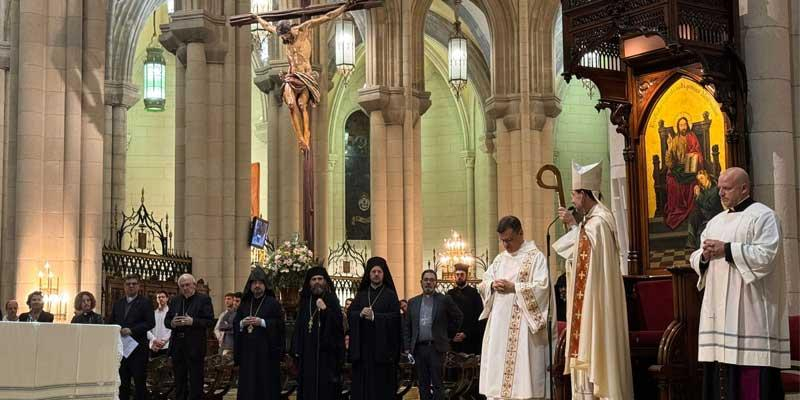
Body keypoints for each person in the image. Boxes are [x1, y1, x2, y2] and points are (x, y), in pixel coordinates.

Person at [689, 167, 789, 399]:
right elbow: (696, 255)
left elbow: (766, 256)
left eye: (727, 188)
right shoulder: (714, 222)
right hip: (719, 318)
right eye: (719, 188)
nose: (720, 193)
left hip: (751, 316)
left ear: (744, 188)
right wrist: (703, 257)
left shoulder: (764, 217)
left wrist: (727, 249)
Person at [554, 161, 633, 399]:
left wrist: (572, 225)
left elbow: (584, 257)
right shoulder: (592, 222)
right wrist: (575, 226)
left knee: (594, 344)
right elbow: (577, 255)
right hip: (588, 297)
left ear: (585, 194)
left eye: (574, 193)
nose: (572, 198)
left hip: (596, 300)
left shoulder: (598, 223)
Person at [252, 1, 355, 150]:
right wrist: (256, 17)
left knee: (301, 105)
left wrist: (344, 8)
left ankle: (306, 134)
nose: (284, 40)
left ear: (289, 31)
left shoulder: (303, 29)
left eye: (285, 36)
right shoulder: (283, 36)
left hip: (305, 76)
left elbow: (327, 16)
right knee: (291, 104)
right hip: (292, 75)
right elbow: (267, 26)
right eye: (282, 37)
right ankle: (300, 138)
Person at [477, 216, 553, 400]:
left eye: (509, 240)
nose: (506, 245)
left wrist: (515, 288)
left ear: (521, 233)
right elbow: (483, 282)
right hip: (499, 328)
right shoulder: (500, 259)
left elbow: (542, 288)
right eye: (502, 240)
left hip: (523, 329)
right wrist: (491, 285)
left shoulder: (535, 258)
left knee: (522, 378)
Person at [348, 256, 402, 400]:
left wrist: (375, 317)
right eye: (373, 272)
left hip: (383, 353)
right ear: (369, 274)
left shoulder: (390, 295)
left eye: (379, 272)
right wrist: (359, 314)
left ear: (384, 274)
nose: (376, 274)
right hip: (363, 351)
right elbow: (350, 314)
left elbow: (396, 319)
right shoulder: (361, 295)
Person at [404, 269, 463, 400]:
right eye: (426, 280)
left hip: (437, 348)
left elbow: (458, 316)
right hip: (419, 349)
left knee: (438, 384)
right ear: (421, 282)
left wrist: (447, 335)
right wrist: (407, 347)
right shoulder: (413, 302)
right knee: (422, 384)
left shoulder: (444, 300)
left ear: (436, 283)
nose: (428, 282)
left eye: (431, 280)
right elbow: (407, 326)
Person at [292, 266, 345, 400]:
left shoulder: (332, 299)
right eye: (314, 279)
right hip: (307, 354)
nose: (317, 282)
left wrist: (325, 310)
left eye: (320, 279)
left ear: (325, 281)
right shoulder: (305, 301)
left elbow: (338, 326)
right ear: (309, 283)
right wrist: (296, 349)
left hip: (327, 356)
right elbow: (299, 326)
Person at [233, 267, 284, 400]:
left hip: (266, 353)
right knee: (248, 386)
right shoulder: (244, 304)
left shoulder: (273, 303)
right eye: (254, 283)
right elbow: (236, 323)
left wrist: (262, 322)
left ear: (265, 285)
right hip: (247, 354)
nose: (257, 285)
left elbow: (279, 325)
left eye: (260, 283)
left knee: (265, 386)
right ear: (250, 286)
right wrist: (241, 323)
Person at [165, 274, 215, 400]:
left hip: (195, 346)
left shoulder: (203, 299)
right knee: (179, 381)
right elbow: (167, 320)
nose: (185, 288)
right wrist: (172, 323)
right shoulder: (175, 300)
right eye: (182, 286)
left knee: (195, 381)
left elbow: (210, 321)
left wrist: (193, 322)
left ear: (194, 285)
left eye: (187, 285)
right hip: (178, 346)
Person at [107, 274, 156, 400]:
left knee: (139, 383)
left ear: (138, 286)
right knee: (123, 383)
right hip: (122, 349)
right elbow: (111, 321)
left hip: (138, 349)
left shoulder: (145, 302)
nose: (131, 286)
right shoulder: (118, 303)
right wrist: (115, 329)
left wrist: (132, 330)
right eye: (128, 284)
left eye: (134, 284)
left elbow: (151, 323)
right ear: (124, 286)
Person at [664, 117, 705, 229]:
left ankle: (691, 211)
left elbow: (698, 152)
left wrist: (694, 156)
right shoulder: (675, 140)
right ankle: (678, 209)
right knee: (672, 181)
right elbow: (669, 162)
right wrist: (669, 147)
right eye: (681, 125)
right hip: (679, 168)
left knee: (693, 181)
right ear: (678, 127)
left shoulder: (692, 137)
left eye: (685, 124)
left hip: (691, 167)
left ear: (688, 125)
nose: (683, 127)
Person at [447, 263, 484, 355]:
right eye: (457, 275)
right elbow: (446, 316)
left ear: (466, 276)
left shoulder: (474, 294)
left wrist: (466, 333)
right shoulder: (450, 294)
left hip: (470, 339)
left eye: (462, 275)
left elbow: (479, 317)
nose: (459, 277)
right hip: (454, 339)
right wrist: (452, 335)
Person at [686, 169, 723, 249]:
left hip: (714, 213)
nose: (700, 181)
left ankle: (692, 242)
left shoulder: (714, 189)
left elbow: (709, 206)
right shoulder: (702, 188)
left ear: (707, 177)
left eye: (702, 178)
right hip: (704, 212)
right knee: (693, 215)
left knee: (694, 216)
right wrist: (696, 195)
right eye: (699, 179)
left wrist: (699, 195)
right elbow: (698, 204)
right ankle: (691, 242)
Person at [148, 290, 171, 357]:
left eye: (163, 297)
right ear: (157, 299)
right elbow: (147, 329)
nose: (161, 298)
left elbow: (172, 329)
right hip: (153, 347)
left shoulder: (171, 313)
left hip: (166, 346)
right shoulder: (152, 313)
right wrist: (154, 340)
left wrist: (163, 341)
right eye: (159, 297)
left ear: (167, 298)